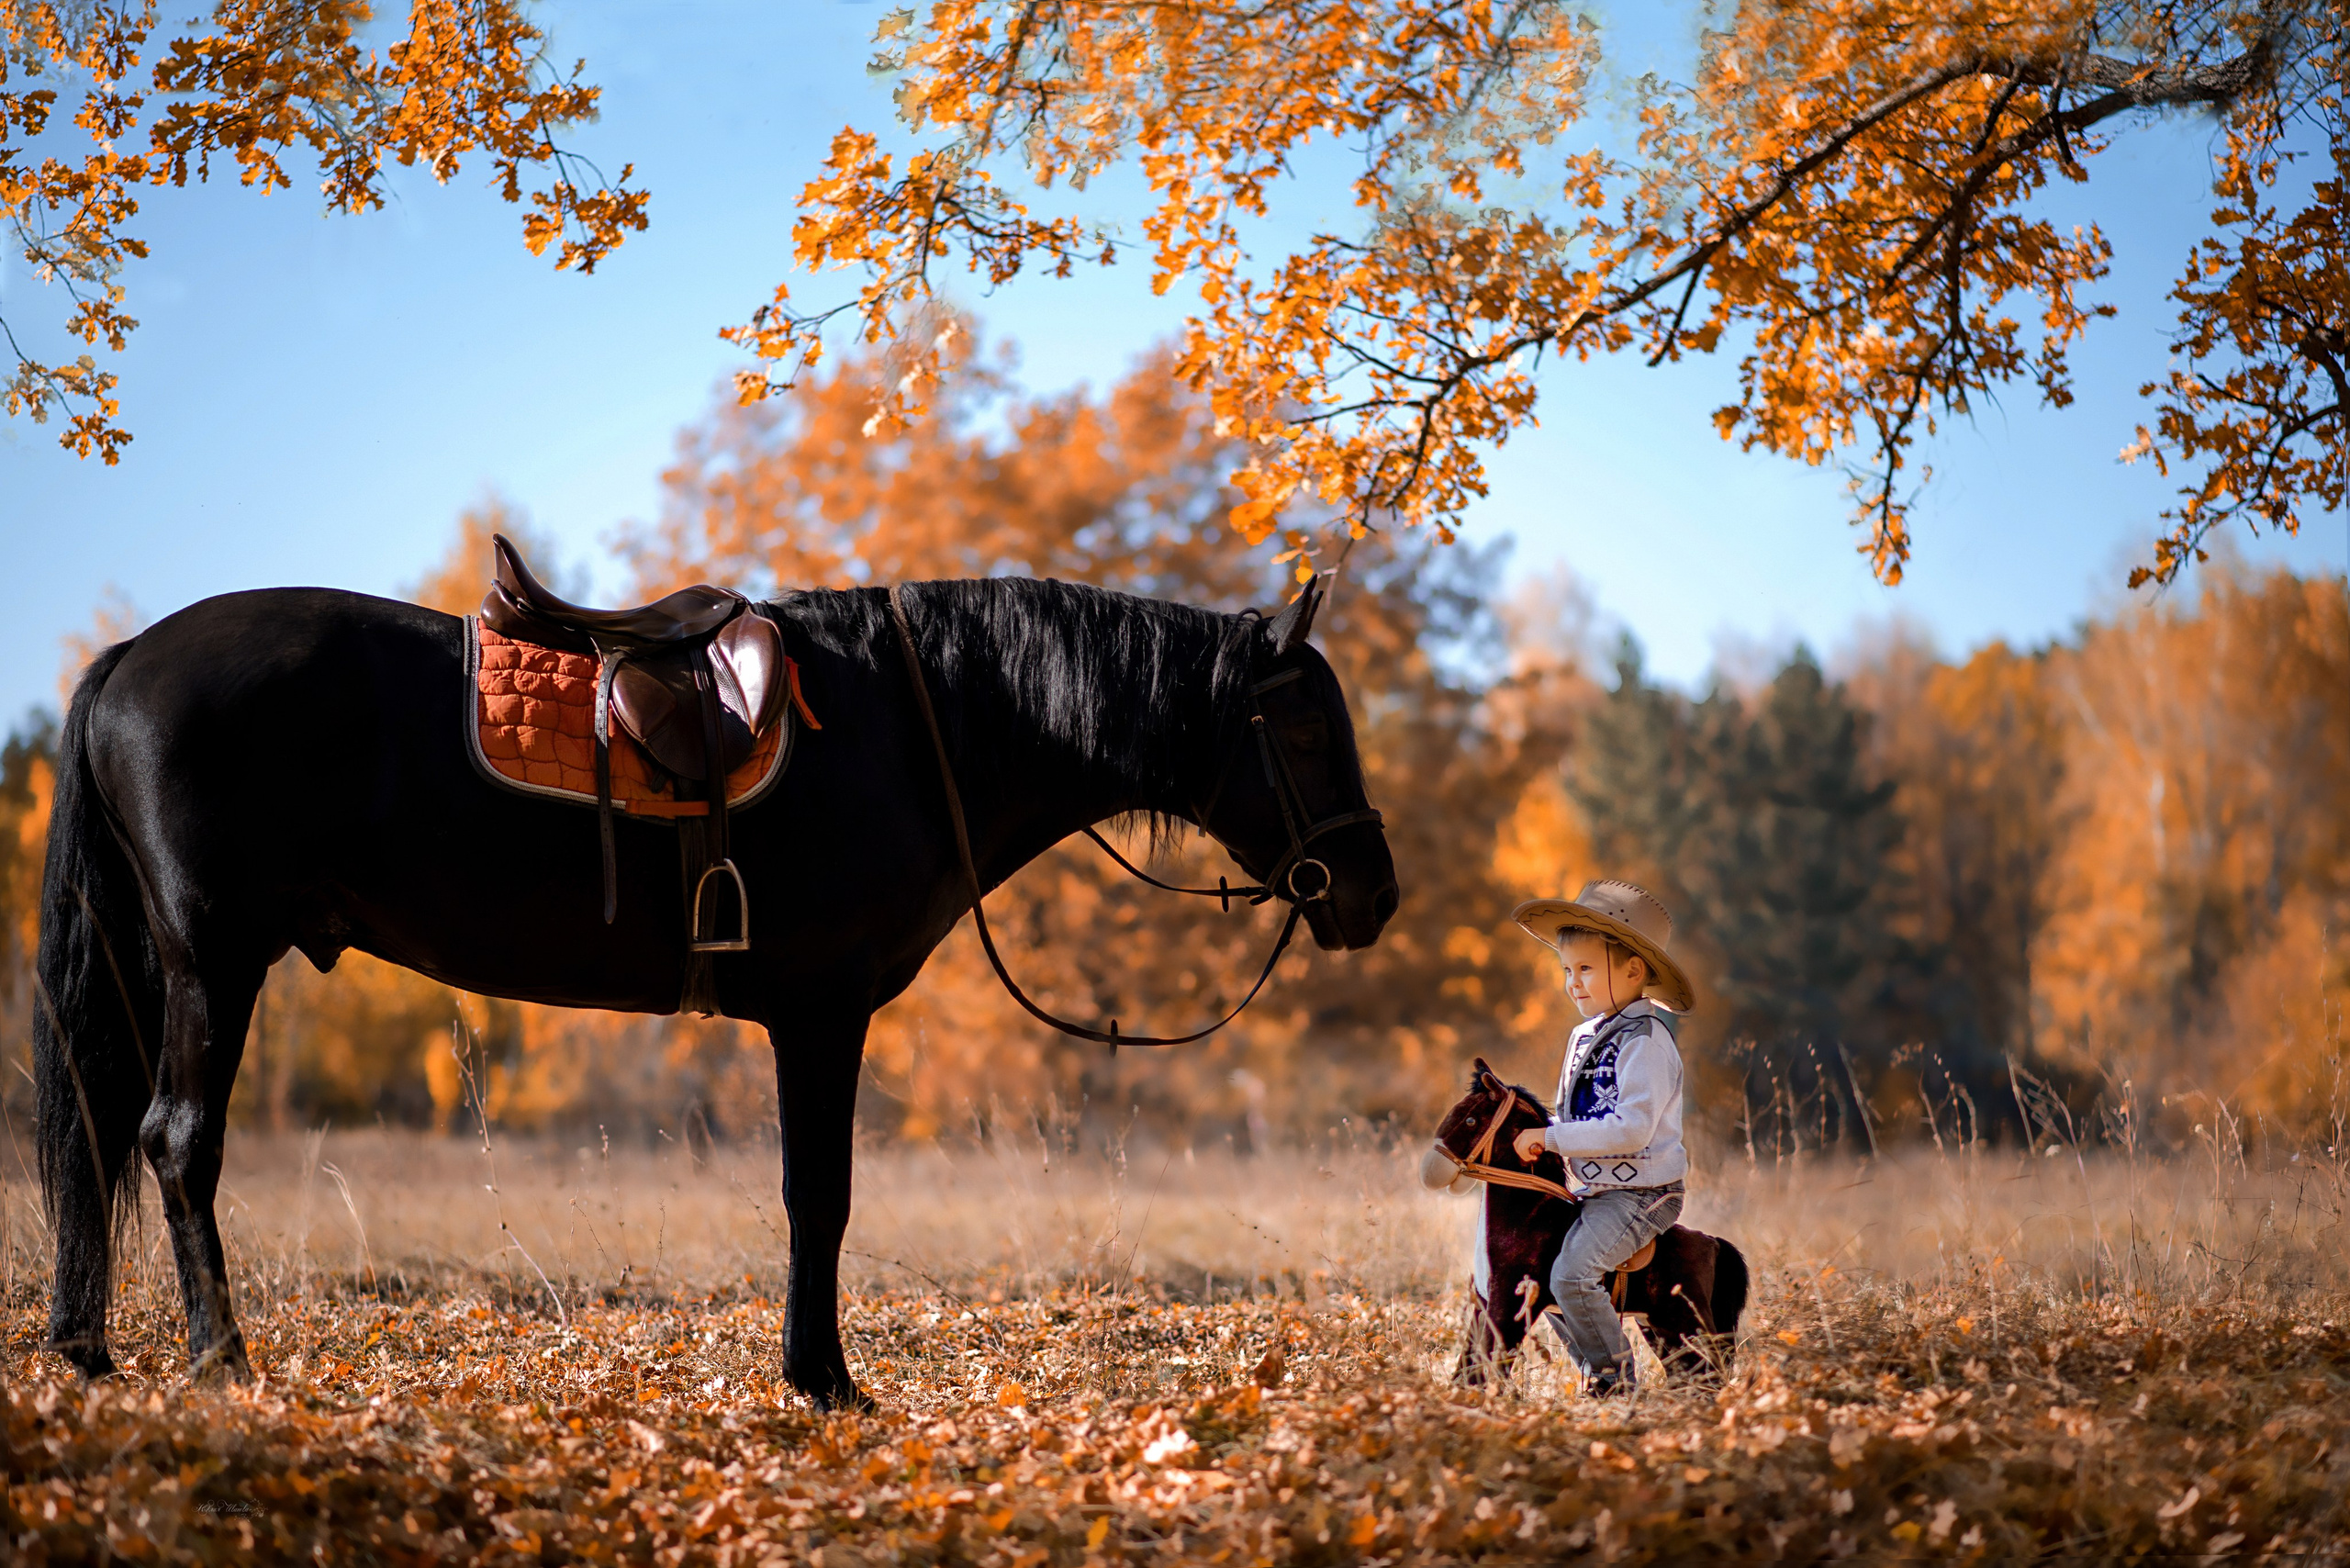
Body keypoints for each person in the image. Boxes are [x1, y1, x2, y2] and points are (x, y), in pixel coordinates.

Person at [1507, 879, 1693, 1396]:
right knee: (1544, 1275)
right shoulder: (1584, 1035)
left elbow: (1633, 1129)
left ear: (1634, 970)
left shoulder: (1647, 1041)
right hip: (1595, 1188)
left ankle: (1614, 1381)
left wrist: (1553, 1136)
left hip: (1641, 1193)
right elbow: (1571, 1107)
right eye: (1568, 971)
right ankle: (1598, 1363)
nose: (1573, 983)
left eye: (1586, 969)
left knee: (1570, 1276)